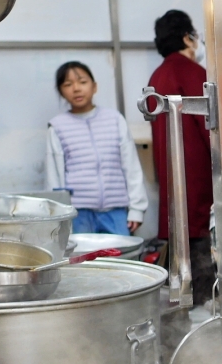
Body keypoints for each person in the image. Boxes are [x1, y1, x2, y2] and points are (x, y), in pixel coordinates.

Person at [147, 10, 215, 305]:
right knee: (202, 258)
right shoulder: (195, 74)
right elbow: (211, 131)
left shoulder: (157, 76)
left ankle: (183, 315)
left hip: (172, 184)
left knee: (179, 260)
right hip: (198, 184)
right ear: (188, 37)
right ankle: (204, 313)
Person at [45, 62, 147, 235]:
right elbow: (54, 177)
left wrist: (137, 209)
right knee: (82, 261)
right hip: (77, 214)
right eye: (68, 85)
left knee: (120, 259)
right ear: (61, 91)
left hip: (116, 212)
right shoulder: (57, 127)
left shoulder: (115, 120)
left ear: (94, 86)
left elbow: (131, 167)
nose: (76, 89)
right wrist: (58, 217)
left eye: (82, 82)